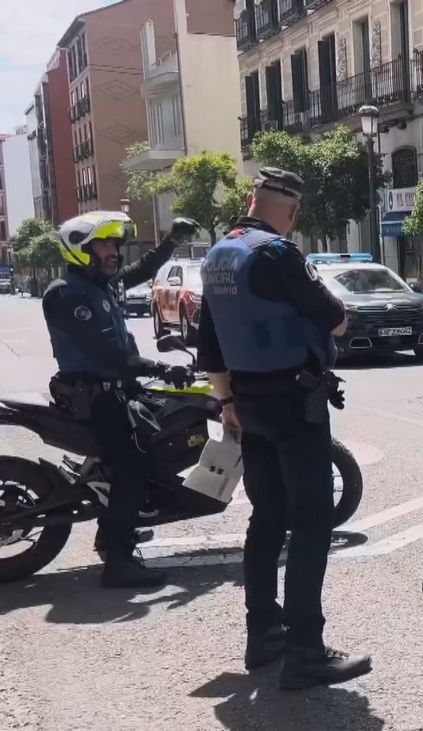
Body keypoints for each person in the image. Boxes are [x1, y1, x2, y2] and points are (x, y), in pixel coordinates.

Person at [197, 167, 370, 690]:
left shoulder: (218, 255)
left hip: (247, 404)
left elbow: (210, 344)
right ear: (291, 211)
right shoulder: (277, 254)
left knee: (267, 520)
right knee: (313, 522)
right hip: (295, 404)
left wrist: (227, 402)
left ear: (252, 199)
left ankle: (263, 635)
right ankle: (305, 652)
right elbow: (334, 318)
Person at [43, 211, 196, 589]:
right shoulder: (67, 294)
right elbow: (109, 357)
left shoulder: (102, 285)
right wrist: (161, 369)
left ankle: (118, 526)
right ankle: (118, 560)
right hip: (95, 398)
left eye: (115, 244)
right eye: (105, 244)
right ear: (81, 249)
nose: (114, 251)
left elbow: (142, 269)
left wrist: (171, 242)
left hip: (118, 391)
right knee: (132, 467)